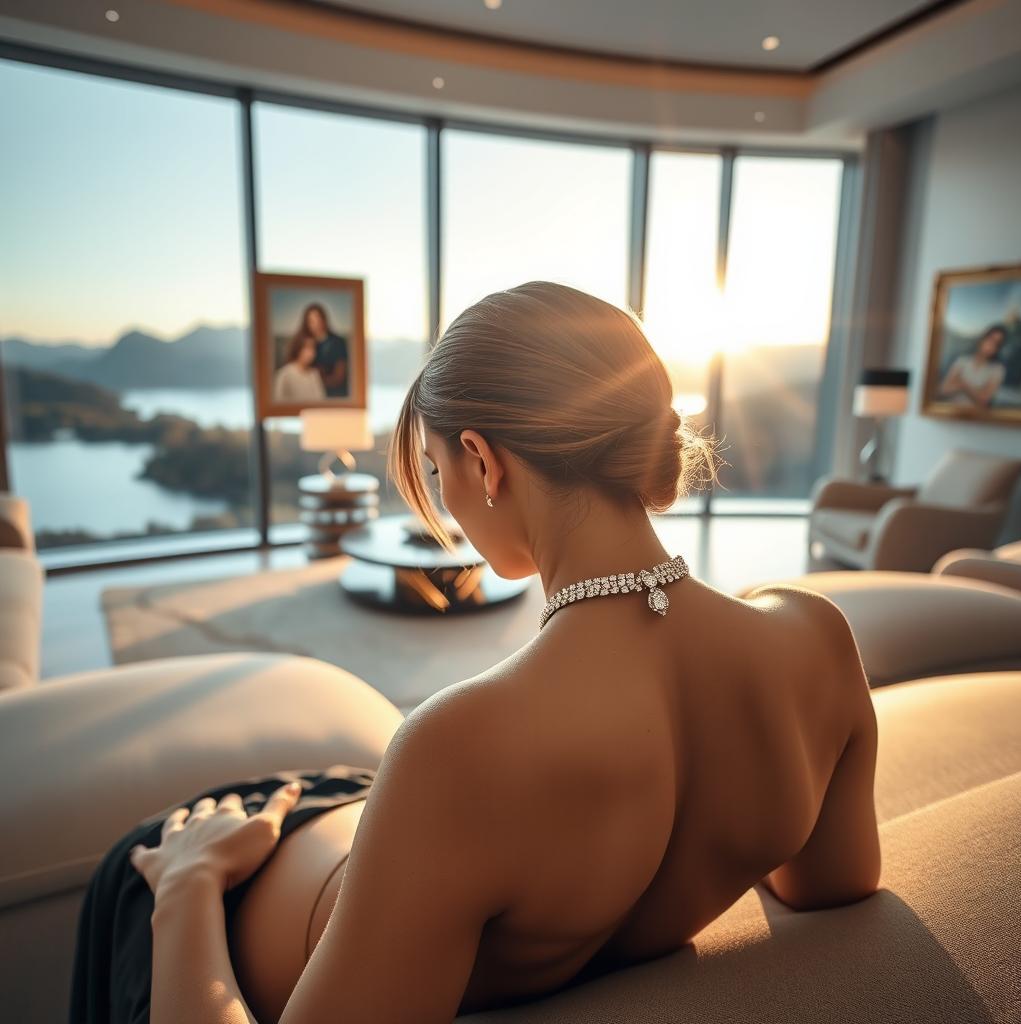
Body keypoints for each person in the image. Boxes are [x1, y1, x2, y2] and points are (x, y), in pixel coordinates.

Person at [70, 281, 881, 1023]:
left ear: (485, 461)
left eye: (435, 466)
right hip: (373, 832)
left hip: (233, 901)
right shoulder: (815, 641)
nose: (444, 498)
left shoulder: (457, 747)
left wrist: (186, 888)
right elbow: (832, 883)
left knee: (156, 847)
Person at [938, 324, 1008, 408]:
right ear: (983, 339)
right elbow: (944, 390)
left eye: (997, 343)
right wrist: (977, 391)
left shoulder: (997, 369)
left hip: (975, 417)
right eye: (990, 339)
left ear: (998, 348)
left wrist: (961, 384)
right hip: (952, 411)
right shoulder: (962, 361)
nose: (991, 346)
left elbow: (984, 400)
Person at [301, 302, 350, 398]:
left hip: (332, 394)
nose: (316, 325)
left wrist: (317, 381)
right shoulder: (304, 343)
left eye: (318, 319)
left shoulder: (337, 342)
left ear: (324, 320)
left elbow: (339, 376)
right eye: (312, 321)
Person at [272, 331, 327, 403]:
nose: (311, 352)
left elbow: (321, 399)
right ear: (298, 348)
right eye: (307, 348)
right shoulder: (285, 374)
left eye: (313, 348)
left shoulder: (314, 373)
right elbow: (278, 401)